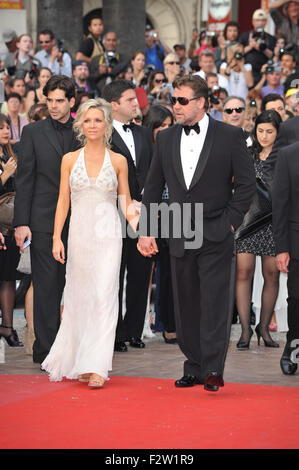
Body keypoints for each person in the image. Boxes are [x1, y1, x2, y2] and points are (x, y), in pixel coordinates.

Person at [137, 74, 256, 391]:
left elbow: (246, 186)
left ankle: (214, 368)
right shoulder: (164, 139)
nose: (175, 106)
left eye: (182, 100)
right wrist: (146, 230)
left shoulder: (230, 136)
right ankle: (194, 365)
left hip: (217, 228)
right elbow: (152, 188)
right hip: (179, 228)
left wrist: (231, 220)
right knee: (186, 302)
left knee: (215, 302)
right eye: (173, 100)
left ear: (201, 102)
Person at [41, 98, 139, 387]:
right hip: (79, 237)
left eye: (98, 120)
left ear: (107, 124)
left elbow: (127, 204)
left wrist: (145, 231)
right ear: (80, 124)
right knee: (79, 298)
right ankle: (83, 361)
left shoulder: (118, 161)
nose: (93, 125)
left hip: (109, 237)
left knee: (105, 296)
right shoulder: (69, 160)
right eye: (88, 120)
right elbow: (62, 201)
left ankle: (97, 366)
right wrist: (56, 237)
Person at [13, 75, 81, 365]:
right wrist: (21, 222)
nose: (53, 106)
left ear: (71, 102)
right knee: (46, 286)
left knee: (79, 285)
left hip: (81, 221)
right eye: (49, 100)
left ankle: (78, 349)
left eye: (59, 101)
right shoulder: (33, 132)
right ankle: (47, 351)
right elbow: (24, 179)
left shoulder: (86, 129)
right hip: (42, 221)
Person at [102, 79, 153, 353]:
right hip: (112, 212)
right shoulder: (103, 134)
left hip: (146, 212)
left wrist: (148, 202)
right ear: (114, 105)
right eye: (131, 100)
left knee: (141, 273)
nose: (137, 103)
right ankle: (116, 333)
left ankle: (134, 330)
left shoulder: (144, 134)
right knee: (114, 273)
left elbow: (153, 170)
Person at [235, 110, 282, 350]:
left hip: (274, 222)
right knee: (244, 272)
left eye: (269, 131)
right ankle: (245, 330)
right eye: (260, 131)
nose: (264, 136)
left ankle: (264, 328)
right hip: (247, 221)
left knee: (272, 274)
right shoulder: (246, 154)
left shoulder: (284, 157)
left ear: (278, 132)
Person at [143, 104, 176, 343]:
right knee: (146, 272)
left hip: (176, 214)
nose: (164, 130)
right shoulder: (145, 149)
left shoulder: (177, 146)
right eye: (160, 126)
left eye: (168, 125)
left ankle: (169, 323)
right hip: (147, 213)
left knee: (171, 272)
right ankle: (145, 322)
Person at [272, 138, 299, 375]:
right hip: (296, 240)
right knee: (297, 300)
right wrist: (281, 247)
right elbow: (279, 204)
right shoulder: (288, 155)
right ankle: (292, 346)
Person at [0, 113, 23, 347]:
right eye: (0, 128)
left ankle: (8, 327)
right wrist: (4, 175)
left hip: (10, 226)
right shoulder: (7, 163)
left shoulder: (12, 156)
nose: (5, 131)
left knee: (8, 278)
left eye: (7, 127)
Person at [240, 9, 277, 84]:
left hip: (264, 72)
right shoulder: (245, 36)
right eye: (257, 20)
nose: (260, 23)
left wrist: (262, 48)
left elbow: (273, 56)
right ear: (253, 22)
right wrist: (250, 46)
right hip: (247, 72)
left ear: (266, 22)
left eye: (262, 20)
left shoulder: (271, 38)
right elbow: (238, 54)